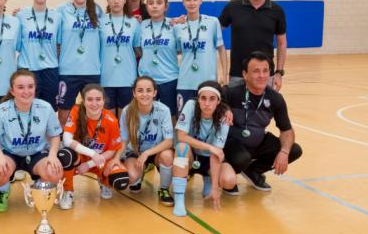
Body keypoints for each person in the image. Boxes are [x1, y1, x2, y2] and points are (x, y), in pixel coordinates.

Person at [223, 51, 303, 192]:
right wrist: (224, 108)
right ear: (245, 74)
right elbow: (209, 95)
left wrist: (284, 152)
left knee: (293, 150)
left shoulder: (275, 99)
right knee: (242, 158)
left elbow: (287, 130)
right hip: (232, 144)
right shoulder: (231, 92)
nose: (262, 76)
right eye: (256, 71)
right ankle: (227, 174)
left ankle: (253, 171)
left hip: (257, 142)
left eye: (265, 71)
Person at [0, 70, 64, 213]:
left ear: (35, 88)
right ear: (12, 90)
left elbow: (55, 135)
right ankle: (3, 192)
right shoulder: (1, 110)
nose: (26, 91)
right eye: (20, 87)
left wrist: (53, 154)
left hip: (37, 153)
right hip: (10, 153)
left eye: (30, 86)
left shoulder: (45, 107)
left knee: (55, 171)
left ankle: (38, 189)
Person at [219, 0, 287, 91]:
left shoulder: (277, 11)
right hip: (237, 75)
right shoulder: (232, 7)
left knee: (263, 111)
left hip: (265, 76)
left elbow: (282, 44)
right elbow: (213, 30)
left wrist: (279, 72)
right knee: (236, 111)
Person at [172, 81, 236, 215]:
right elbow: (181, 136)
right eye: (203, 98)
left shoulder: (224, 118)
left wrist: (215, 187)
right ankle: (179, 201)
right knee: (181, 147)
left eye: (212, 99)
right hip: (192, 156)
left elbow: (216, 153)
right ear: (198, 99)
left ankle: (208, 178)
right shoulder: (190, 105)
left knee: (229, 180)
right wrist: (209, 147)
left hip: (210, 160)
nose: (207, 103)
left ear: (218, 101)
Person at [60, 84, 126, 210]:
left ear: (103, 101)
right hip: (78, 159)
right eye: (90, 99)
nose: (94, 103)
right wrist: (92, 154)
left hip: (100, 160)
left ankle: (103, 181)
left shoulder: (111, 120)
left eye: (98, 99)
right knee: (65, 155)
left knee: (121, 178)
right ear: (83, 102)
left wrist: (89, 164)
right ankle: (68, 191)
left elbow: (112, 150)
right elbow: (67, 140)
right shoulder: (76, 111)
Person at [111, 76, 175, 206]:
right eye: (140, 90)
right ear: (134, 93)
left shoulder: (163, 110)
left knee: (167, 156)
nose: (144, 94)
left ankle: (164, 189)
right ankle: (139, 176)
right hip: (136, 152)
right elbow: (124, 140)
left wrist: (147, 154)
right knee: (131, 178)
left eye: (148, 90)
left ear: (154, 93)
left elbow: (168, 141)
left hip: (156, 151)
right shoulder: (127, 111)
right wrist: (116, 158)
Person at [56, 0, 102, 126]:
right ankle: (61, 143)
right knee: (64, 110)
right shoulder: (61, 11)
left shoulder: (97, 10)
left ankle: (90, 141)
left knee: (93, 110)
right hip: (68, 71)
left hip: (92, 70)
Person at [174, 0, 228, 112]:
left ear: (201, 0)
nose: (192, 3)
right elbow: (176, 52)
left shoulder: (213, 22)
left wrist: (225, 75)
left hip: (207, 82)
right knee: (184, 120)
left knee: (207, 120)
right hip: (185, 82)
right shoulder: (177, 27)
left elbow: (221, 49)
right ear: (183, 2)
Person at [17, 0, 62, 109]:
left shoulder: (57, 17)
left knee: (48, 110)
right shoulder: (20, 16)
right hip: (28, 70)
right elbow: (18, 45)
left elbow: (58, 45)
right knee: (26, 108)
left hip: (50, 70)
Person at [100, 0, 141, 116]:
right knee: (109, 120)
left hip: (127, 79)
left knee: (125, 121)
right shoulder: (100, 22)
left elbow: (137, 50)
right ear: (107, 0)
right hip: (106, 78)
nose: (116, 1)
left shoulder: (134, 23)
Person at [137, 0, 179, 117]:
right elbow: (137, 49)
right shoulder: (140, 25)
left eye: (159, 3)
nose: (154, 6)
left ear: (166, 6)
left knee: (170, 116)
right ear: (147, 6)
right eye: (150, 3)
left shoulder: (174, 25)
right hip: (146, 80)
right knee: (145, 116)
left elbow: (180, 49)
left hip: (169, 79)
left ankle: (169, 138)